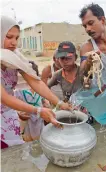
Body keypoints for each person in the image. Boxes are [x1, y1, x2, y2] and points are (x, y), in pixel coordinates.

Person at [1, 16, 72, 149]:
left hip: (8, 118)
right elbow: (4, 98)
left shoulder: (14, 58)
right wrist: (38, 110)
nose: (14, 42)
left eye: (16, 38)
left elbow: (35, 82)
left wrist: (60, 103)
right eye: (9, 37)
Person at [14, 62, 44, 142]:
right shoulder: (19, 90)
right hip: (27, 123)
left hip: (39, 122)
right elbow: (13, 106)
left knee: (41, 141)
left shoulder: (40, 88)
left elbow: (43, 102)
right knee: (28, 143)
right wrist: (19, 114)